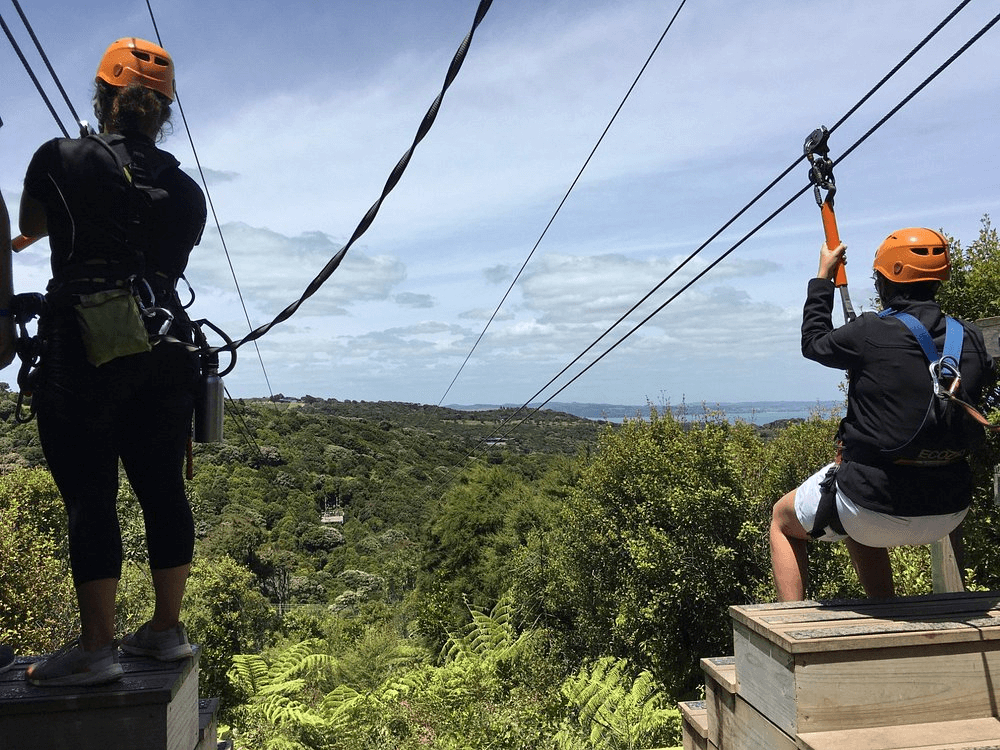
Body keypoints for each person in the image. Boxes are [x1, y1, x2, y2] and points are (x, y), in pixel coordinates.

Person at [17, 38, 207, 686]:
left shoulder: (59, 160)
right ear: (163, 112)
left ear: (104, 98)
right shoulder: (187, 194)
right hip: (165, 349)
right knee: (162, 487)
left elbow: (32, 225)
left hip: (84, 348)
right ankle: (166, 630)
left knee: (90, 494)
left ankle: (97, 644)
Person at [770, 228, 993, 601]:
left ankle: (789, 632)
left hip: (872, 505)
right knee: (856, 511)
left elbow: (813, 342)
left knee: (782, 519)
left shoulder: (870, 331)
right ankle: (884, 608)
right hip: (950, 509)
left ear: (885, 280)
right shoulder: (970, 337)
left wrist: (824, 275)